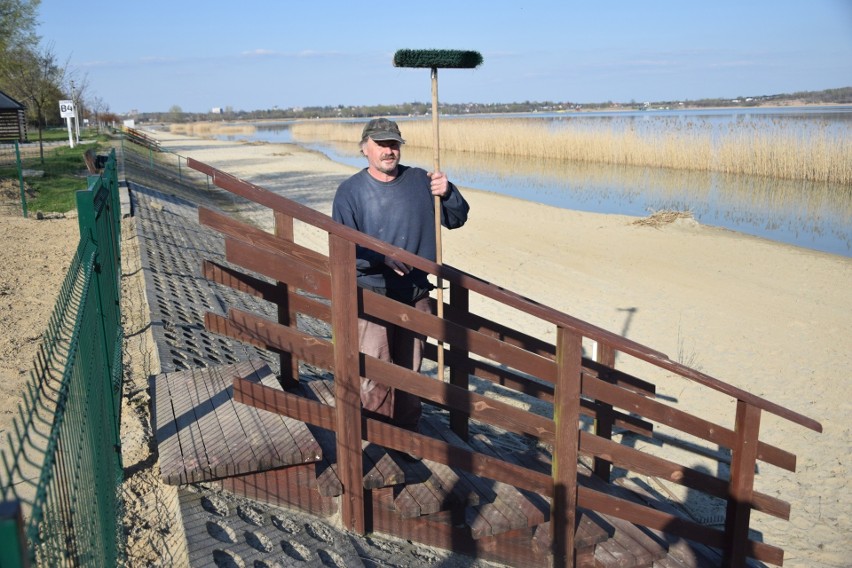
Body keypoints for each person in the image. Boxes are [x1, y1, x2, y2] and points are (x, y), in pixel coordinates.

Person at [332, 118, 470, 432]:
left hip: (415, 293)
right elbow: (344, 248)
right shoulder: (350, 192)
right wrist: (380, 257)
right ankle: (378, 434)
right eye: (381, 144)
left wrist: (448, 193)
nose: (389, 150)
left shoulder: (422, 181)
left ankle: (407, 433)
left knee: (411, 371)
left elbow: (457, 218)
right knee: (376, 371)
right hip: (371, 294)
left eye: (393, 143)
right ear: (364, 148)